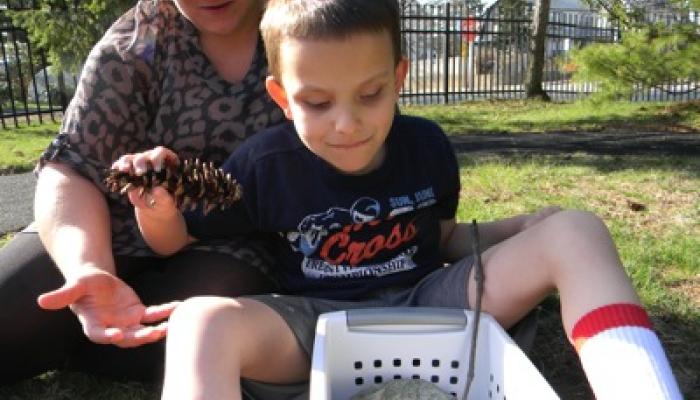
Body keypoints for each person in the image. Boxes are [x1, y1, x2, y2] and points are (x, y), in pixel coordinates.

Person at [123, 0, 683, 399]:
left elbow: (441, 239)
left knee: (577, 230)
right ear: (282, 98)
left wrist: (524, 227)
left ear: (399, 78)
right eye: (316, 102)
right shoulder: (263, 164)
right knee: (201, 323)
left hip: (429, 304)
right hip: (316, 327)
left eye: (370, 94)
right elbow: (178, 239)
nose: (347, 124)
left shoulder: (426, 146)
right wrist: (158, 208)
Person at [0, 0, 286, 385]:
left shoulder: (304, 29)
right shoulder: (136, 43)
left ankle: (80, 346)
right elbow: (71, 168)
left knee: (204, 320)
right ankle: (80, 332)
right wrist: (87, 267)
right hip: (109, 224)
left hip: (230, 244)